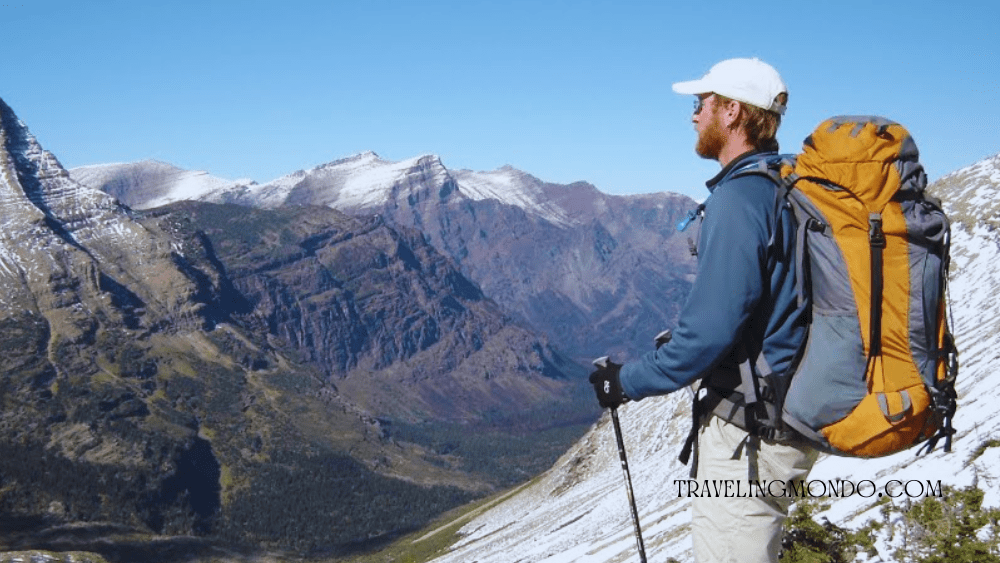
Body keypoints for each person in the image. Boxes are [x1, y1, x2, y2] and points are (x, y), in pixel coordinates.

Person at [589, 58, 818, 563]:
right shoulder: (785, 187)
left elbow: (707, 335)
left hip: (749, 434)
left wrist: (623, 383)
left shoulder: (740, 199)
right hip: (786, 416)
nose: (693, 115)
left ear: (732, 112)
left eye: (701, 104)